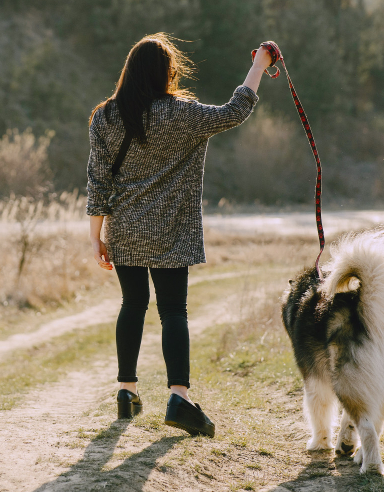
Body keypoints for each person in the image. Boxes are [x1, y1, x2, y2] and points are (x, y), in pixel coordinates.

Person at [87, 33, 273, 436]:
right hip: (171, 230)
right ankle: (179, 397)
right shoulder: (181, 114)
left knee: (132, 304)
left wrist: (95, 236)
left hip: (125, 230)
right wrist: (258, 65)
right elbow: (235, 111)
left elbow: (97, 181)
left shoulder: (105, 117)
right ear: (166, 73)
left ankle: (126, 390)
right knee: (173, 312)